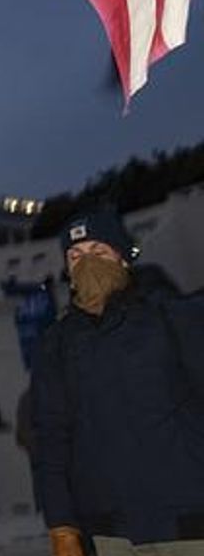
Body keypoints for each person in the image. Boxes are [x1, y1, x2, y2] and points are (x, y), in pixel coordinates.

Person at [32, 206, 204, 556]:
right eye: (75, 256)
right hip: (108, 531)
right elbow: (51, 439)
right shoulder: (56, 345)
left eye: (98, 252)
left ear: (123, 258)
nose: (87, 263)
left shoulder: (172, 318)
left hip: (188, 521)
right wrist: (62, 528)